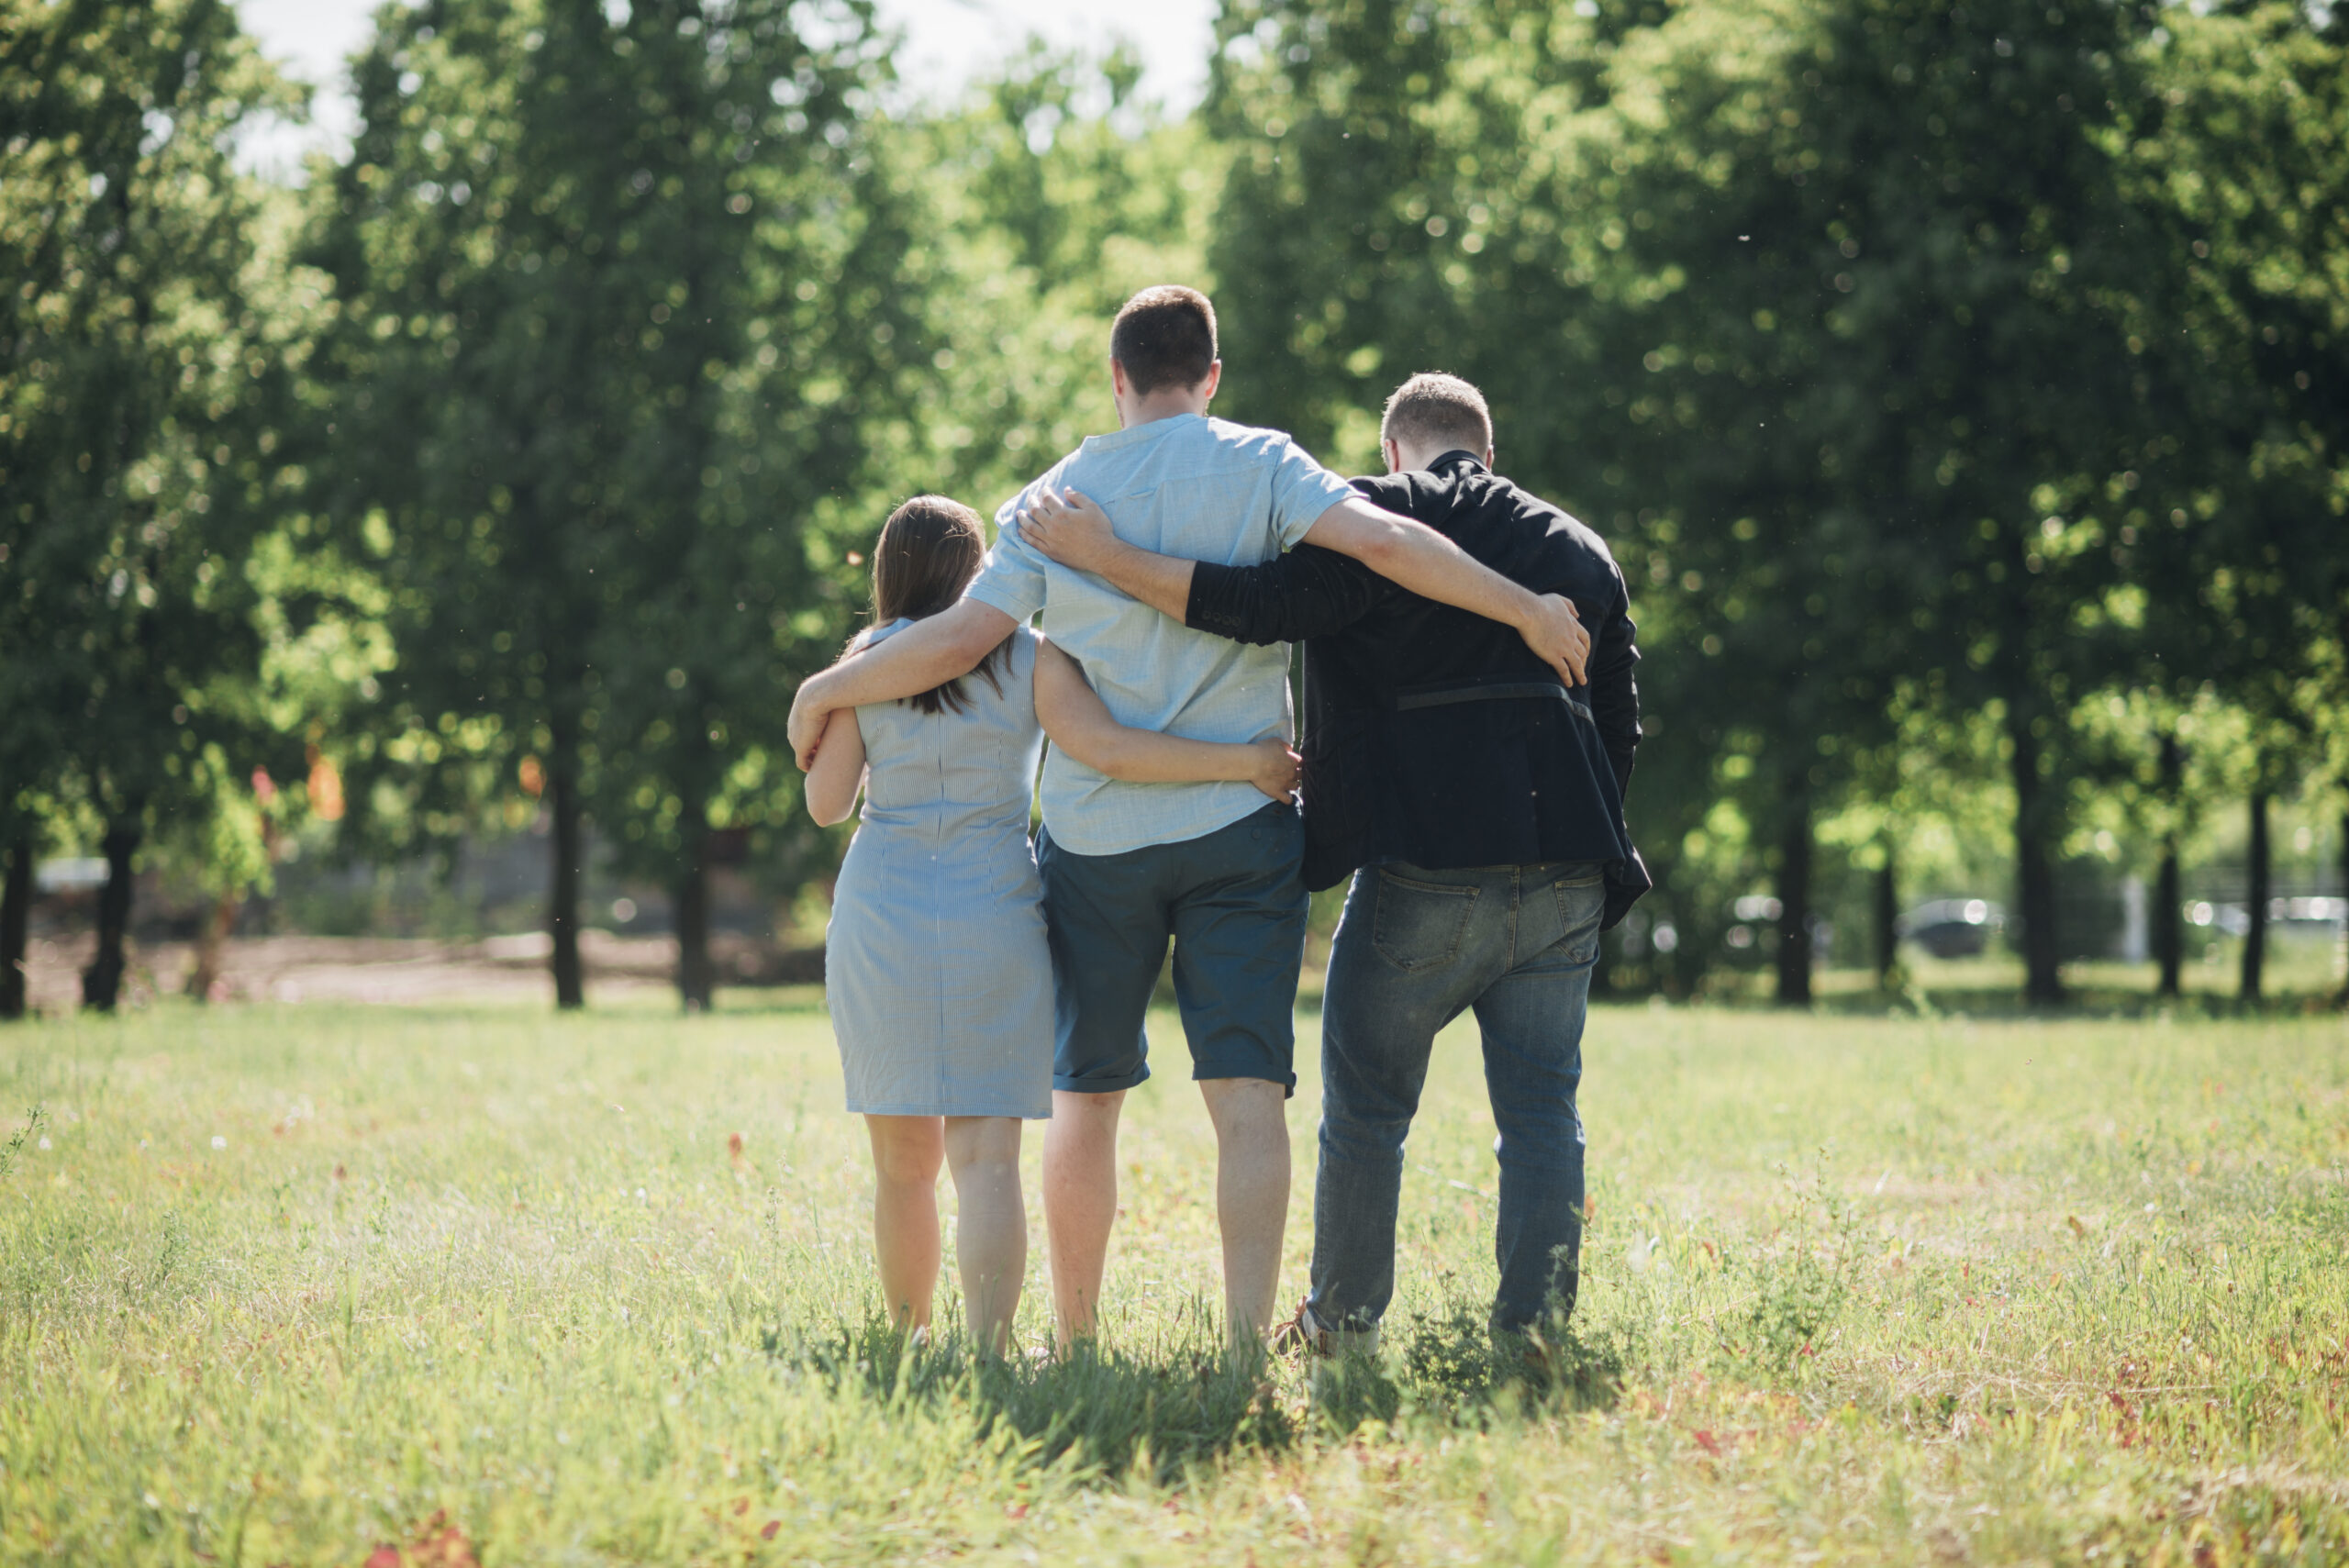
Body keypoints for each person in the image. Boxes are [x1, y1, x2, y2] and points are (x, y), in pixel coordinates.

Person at [788, 287, 1590, 1350]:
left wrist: (820, 692)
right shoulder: (1264, 462)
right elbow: (1392, 542)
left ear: (1115, 378)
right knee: (1248, 1095)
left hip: (1095, 842)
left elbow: (952, 640)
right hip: (1243, 820)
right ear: (1211, 374)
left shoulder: (1052, 498)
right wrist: (1523, 606)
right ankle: (1247, 1342)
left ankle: (1074, 1340)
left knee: (1086, 1096)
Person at [1017, 371, 1645, 1353]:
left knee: (1366, 1112)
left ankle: (1341, 1326)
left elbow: (1254, 604)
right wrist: (1579, 851)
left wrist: (1105, 555)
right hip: (1566, 857)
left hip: (1421, 861)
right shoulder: (1581, 548)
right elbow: (1619, 729)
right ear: (1490, 450)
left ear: (1393, 448)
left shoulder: (1369, 514)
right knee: (1541, 1114)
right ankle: (1534, 1334)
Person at [804, 495, 1302, 1353]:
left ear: (888, 573)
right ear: (975, 574)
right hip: (994, 908)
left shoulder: (862, 669)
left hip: (881, 912)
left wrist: (816, 711)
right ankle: (991, 1352)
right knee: (986, 1160)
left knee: (901, 1165)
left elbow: (823, 805)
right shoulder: (1029, 655)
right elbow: (1108, 749)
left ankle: (910, 1337)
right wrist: (1243, 762)